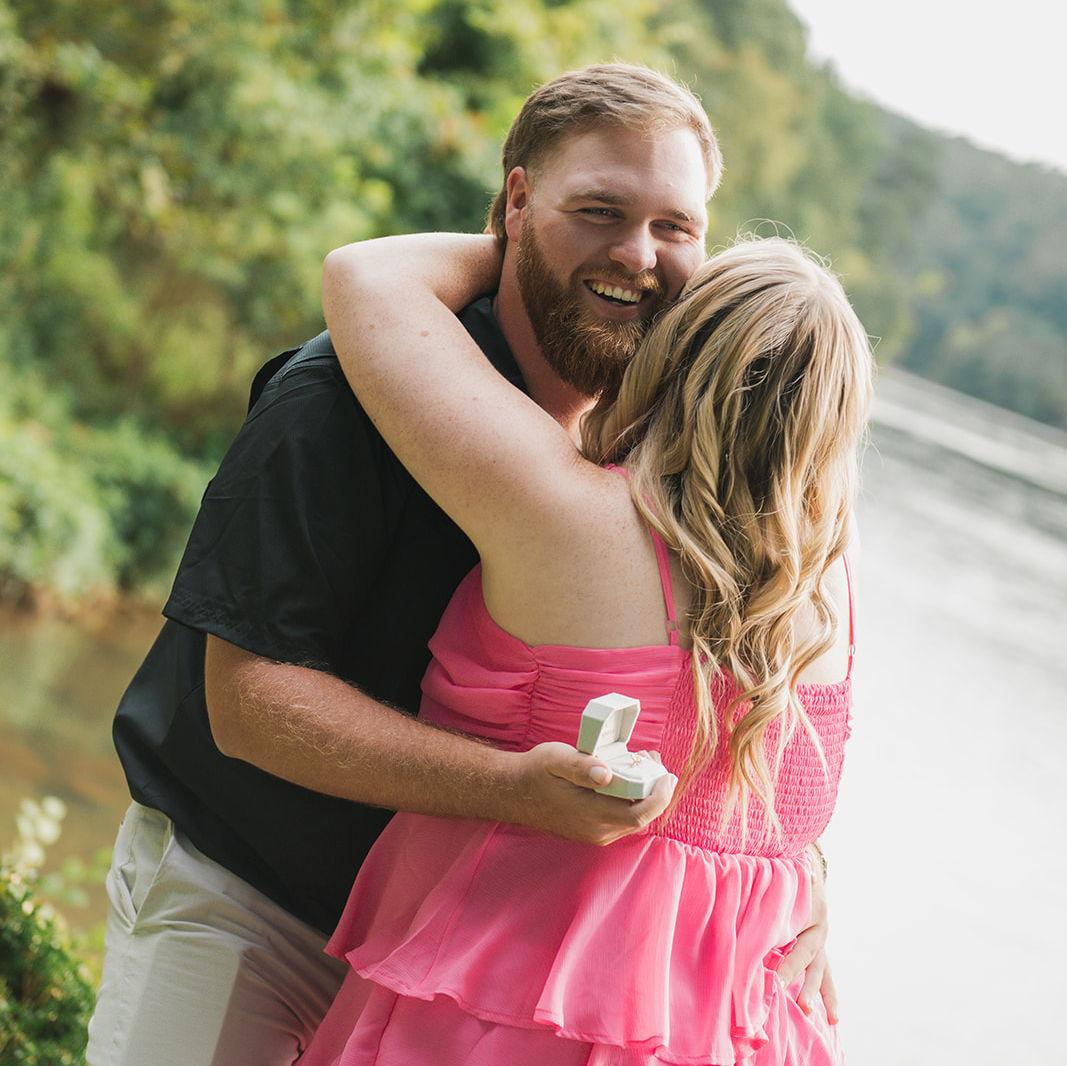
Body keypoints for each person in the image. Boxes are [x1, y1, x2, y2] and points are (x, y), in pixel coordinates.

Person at [85, 64, 836, 1066]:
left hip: (429, 946)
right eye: (598, 210)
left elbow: (729, 698)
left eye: (674, 227)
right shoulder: (336, 398)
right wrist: (514, 789)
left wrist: (798, 869)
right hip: (248, 901)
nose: (636, 254)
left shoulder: (648, 456)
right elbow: (248, 704)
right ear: (515, 200)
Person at [299, 220, 871, 1064]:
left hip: (495, 1018)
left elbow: (366, 276)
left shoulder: (568, 517)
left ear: (672, 356)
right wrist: (806, 868)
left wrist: (556, 241)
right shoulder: (829, 592)